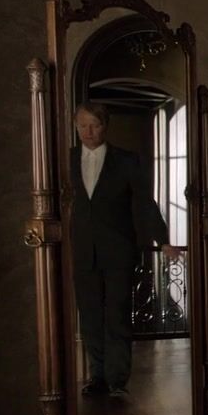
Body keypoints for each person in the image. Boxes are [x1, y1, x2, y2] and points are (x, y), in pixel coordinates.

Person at [70, 102, 181, 398]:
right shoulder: (66, 159)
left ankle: (117, 380)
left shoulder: (126, 160)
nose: (88, 132)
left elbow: (145, 202)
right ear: (76, 126)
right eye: (83, 126)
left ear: (105, 126)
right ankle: (97, 377)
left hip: (118, 250)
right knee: (90, 317)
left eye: (94, 125)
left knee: (117, 317)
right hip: (82, 252)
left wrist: (163, 240)